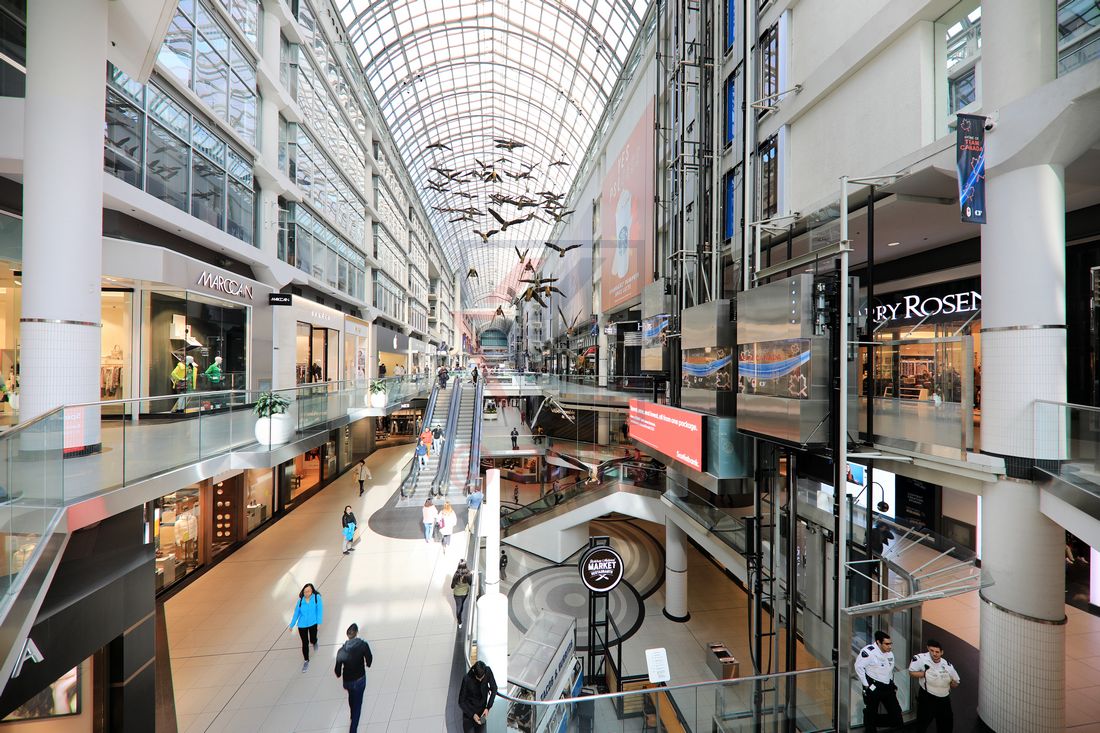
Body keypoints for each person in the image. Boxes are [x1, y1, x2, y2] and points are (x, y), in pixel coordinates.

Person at [855, 630, 902, 732]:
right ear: (878, 642)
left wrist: (891, 684)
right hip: (873, 686)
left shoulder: (889, 654)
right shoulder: (869, 652)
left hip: (887, 686)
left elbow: (888, 670)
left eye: (890, 644)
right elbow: (858, 667)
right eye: (887, 644)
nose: (889, 646)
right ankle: (870, 721)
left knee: (897, 717)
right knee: (871, 721)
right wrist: (866, 684)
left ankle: (869, 719)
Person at [908, 639, 960, 732]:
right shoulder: (920, 658)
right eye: (931, 651)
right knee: (922, 724)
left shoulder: (947, 664)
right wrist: (925, 674)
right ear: (928, 648)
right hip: (927, 697)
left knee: (946, 724)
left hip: (944, 698)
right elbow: (911, 672)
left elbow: (956, 683)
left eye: (937, 652)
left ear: (942, 652)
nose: (934, 654)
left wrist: (952, 682)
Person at [334, 623, 373, 733]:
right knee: (358, 706)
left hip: (348, 681)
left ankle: (352, 714)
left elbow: (337, 671)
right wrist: (366, 663)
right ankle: (353, 729)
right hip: (360, 679)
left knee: (351, 696)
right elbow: (369, 660)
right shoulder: (363, 645)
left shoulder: (341, 651)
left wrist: (340, 673)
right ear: (357, 633)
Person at [288, 583, 324, 672]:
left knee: (312, 639)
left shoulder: (316, 598)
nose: (306, 593)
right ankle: (306, 660)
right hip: (302, 625)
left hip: (313, 623)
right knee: (305, 642)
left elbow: (320, 610)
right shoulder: (300, 601)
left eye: (308, 591)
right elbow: (296, 613)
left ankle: (314, 642)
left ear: (312, 591)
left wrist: (319, 622)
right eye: (305, 591)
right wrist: (291, 625)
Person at [459, 661, 498, 732]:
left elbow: (494, 688)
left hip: (482, 712)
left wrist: (488, 708)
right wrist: (472, 715)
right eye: (478, 678)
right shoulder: (467, 679)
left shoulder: (488, 671)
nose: (480, 680)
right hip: (469, 713)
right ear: (474, 673)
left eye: (482, 678)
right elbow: (461, 702)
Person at [451, 560, 472, 628]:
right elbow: (470, 583)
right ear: (465, 566)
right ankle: (461, 612)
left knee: (458, 607)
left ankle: (459, 622)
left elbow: (452, 586)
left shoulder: (456, 574)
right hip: (465, 593)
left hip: (457, 594)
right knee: (461, 605)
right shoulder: (468, 574)